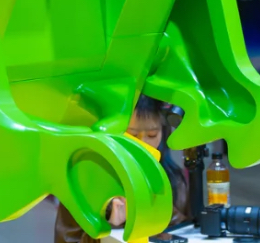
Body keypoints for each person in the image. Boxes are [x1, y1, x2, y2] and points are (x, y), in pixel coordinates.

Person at [54, 96, 190, 243]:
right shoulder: (83, 179)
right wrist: (107, 222)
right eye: (133, 135)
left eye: (152, 135)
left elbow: (182, 231)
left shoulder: (172, 178)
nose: (142, 144)